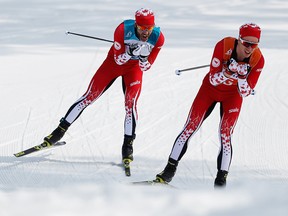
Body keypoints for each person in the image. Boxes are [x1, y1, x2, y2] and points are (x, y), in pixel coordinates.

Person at [43, 8, 164, 168]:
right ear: (136, 25)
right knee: (89, 97)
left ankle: (128, 145)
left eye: (148, 29)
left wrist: (142, 59)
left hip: (133, 70)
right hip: (112, 65)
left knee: (131, 104)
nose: (145, 33)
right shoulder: (123, 30)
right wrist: (129, 53)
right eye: (142, 28)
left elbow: (147, 66)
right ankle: (59, 131)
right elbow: (118, 59)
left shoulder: (158, 38)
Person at [156, 23, 264, 187]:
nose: (249, 48)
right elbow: (213, 79)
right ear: (239, 39)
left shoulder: (258, 59)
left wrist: (242, 77)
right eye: (246, 43)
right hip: (209, 91)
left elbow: (245, 93)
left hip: (232, 96)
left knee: (225, 135)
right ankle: (169, 170)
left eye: (254, 44)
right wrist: (228, 72)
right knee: (190, 127)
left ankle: (221, 182)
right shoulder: (224, 46)